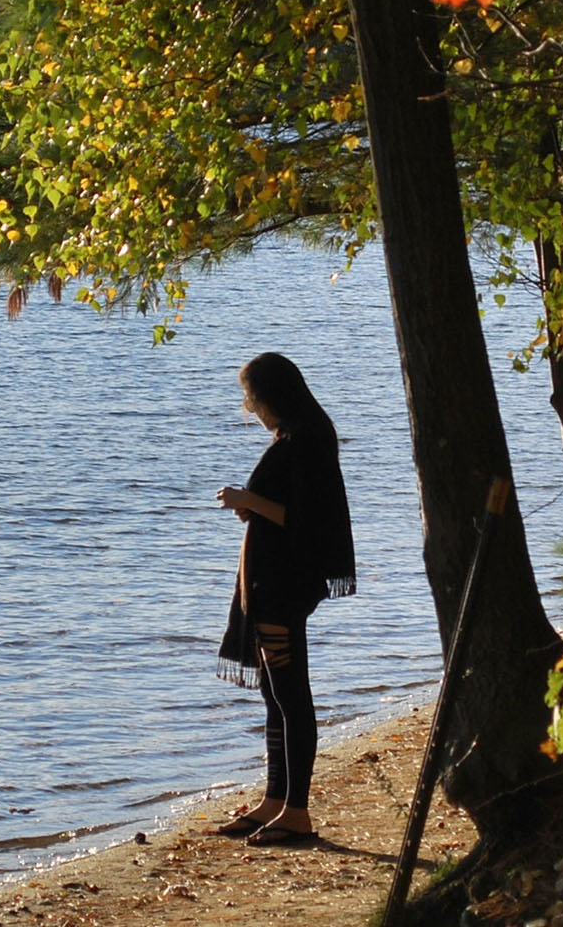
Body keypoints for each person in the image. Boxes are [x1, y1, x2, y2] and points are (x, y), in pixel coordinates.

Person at [211, 352, 355, 848]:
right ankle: (276, 801)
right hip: (272, 585)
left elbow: (306, 520)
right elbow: (290, 509)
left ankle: (297, 812)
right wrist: (252, 506)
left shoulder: (305, 440)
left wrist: (246, 500)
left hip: (284, 587)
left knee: (292, 696)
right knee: (276, 696)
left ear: (273, 395)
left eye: (251, 398)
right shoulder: (299, 437)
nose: (249, 408)